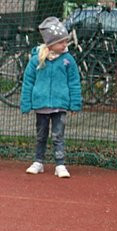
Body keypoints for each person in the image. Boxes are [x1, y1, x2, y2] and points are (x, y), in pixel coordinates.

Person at [20, 17, 81, 179]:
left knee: (58, 135)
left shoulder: (69, 60)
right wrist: (26, 103)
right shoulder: (36, 60)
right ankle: (38, 162)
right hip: (41, 105)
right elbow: (28, 82)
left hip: (60, 105)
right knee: (41, 135)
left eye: (66, 41)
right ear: (50, 43)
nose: (64, 45)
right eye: (61, 42)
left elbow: (74, 82)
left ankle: (60, 164)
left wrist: (75, 104)